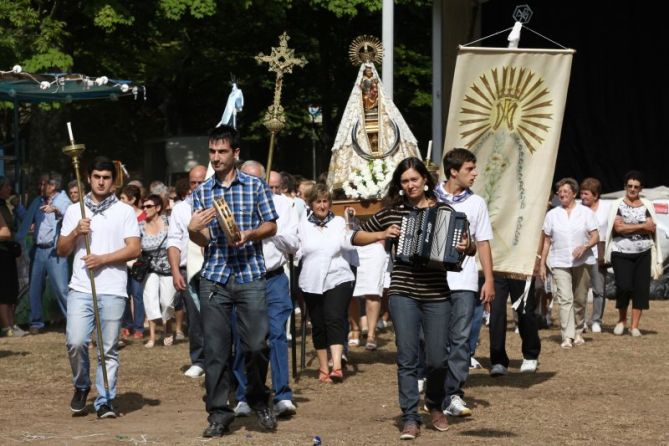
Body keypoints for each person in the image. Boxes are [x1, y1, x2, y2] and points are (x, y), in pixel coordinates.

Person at [352, 157, 470, 439]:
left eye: (414, 180)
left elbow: (465, 246)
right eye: (404, 181)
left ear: (425, 181)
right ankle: (409, 416)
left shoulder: (444, 210)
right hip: (403, 292)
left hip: (437, 293)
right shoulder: (393, 212)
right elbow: (355, 235)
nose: (410, 185)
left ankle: (434, 403)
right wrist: (383, 233)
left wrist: (467, 245)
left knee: (438, 359)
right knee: (406, 357)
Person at [188, 125, 279, 437]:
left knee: (256, 345)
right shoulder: (202, 191)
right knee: (215, 351)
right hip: (214, 277)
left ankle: (257, 398)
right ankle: (219, 413)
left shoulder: (255, 186)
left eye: (222, 151)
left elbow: (271, 226)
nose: (215, 157)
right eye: (212, 151)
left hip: (250, 273)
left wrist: (251, 234)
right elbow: (202, 240)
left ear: (236, 154)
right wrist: (192, 228)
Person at [57, 156, 140, 418]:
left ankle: (105, 400)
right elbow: (61, 250)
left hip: (114, 288)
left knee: (108, 349)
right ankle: (82, 386)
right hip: (81, 288)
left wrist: (103, 259)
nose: (101, 182)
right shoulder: (75, 210)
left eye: (106, 177)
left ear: (113, 181)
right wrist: (75, 233)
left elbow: (134, 248)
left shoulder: (124, 211)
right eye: (96, 177)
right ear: (89, 178)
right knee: (76, 340)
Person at [233, 160, 299, 417]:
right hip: (243, 278)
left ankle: (282, 394)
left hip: (273, 278)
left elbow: (293, 244)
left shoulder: (284, 205)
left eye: (257, 181)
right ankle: (244, 396)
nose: (252, 184)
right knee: (244, 339)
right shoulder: (234, 202)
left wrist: (269, 229)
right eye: (246, 178)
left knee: (276, 334)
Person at [435, 148, 495, 414]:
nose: (475, 173)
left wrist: (489, 279)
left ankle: (453, 394)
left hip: (464, 280)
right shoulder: (430, 198)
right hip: (433, 280)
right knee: (434, 339)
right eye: (469, 169)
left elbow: (483, 242)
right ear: (453, 172)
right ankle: (433, 387)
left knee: (460, 340)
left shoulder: (477, 203)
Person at [298, 183, 356, 384]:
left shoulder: (339, 222)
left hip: (337, 275)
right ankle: (323, 368)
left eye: (325, 201)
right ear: (311, 203)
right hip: (311, 279)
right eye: (318, 202)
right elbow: (298, 249)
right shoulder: (303, 224)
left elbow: (347, 242)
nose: (322, 206)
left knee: (334, 317)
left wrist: (351, 226)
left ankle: (337, 365)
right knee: (319, 323)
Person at [540, 178, 599, 349]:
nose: (562, 194)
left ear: (574, 193)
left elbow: (596, 236)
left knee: (580, 299)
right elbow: (546, 242)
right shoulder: (552, 215)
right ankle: (567, 335)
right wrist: (542, 263)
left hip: (583, 261)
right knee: (565, 299)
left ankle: (579, 330)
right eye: (560, 191)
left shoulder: (586, 212)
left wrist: (585, 246)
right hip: (559, 261)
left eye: (566, 191)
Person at [604, 170, 662, 337]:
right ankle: (621, 320)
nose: (632, 189)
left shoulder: (647, 205)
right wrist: (641, 226)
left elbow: (651, 227)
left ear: (641, 188)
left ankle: (634, 326)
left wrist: (631, 226)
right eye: (629, 186)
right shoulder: (618, 205)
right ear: (625, 187)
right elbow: (618, 228)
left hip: (643, 252)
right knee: (624, 285)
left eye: (636, 187)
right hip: (621, 252)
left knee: (641, 289)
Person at [16, 171, 72, 333]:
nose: (40, 187)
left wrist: (55, 209)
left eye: (43, 184)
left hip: (55, 251)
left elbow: (66, 212)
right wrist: (18, 206)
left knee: (62, 289)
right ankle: (36, 323)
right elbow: (28, 218)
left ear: (53, 186)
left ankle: (74, 322)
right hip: (38, 250)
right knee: (34, 288)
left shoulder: (63, 199)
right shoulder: (38, 201)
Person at [167, 165, 207, 377]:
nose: (197, 186)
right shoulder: (180, 209)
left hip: (213, 268)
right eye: (194, 182)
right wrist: (175, 272)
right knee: (194, 317)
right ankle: (199, 360)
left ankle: (221, 358)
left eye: (201, 181)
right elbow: (173, 241)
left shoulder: (216, 203)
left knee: (217, 316)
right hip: (187, 269)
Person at [140, 194, 176, 348]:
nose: (145, 209)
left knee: (167, 302)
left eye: (148, 206)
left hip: (168, 268)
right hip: (150, 268)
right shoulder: (140, 226)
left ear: (158, 208)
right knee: (150, 300)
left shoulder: (169, 222)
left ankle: (168, 329)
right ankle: (152, 337)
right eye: (143, 206)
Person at [579, 177, 611, 333]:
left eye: (586, 194)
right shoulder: (578, 208)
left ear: (596, 195)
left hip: (599, 252)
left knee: (599, 289)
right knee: (581, 289)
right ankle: (582, 321)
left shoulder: (607, 207)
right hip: (582, 253)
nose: (583, 197)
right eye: (582, 194)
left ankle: (596, 320)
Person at [119, 184, 147, 341]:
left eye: (123, 198)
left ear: (133, 199)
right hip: (123, 258)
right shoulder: (121, 215)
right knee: (124, 294)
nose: (120, 201)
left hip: (137, 261)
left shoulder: (143, 216)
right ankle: (126, 324)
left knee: (137, 294)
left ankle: (138, 327)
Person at [0, 176, 22, 337]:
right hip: (1, 251)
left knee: (11, 289)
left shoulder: (7, 205)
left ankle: (12, 323)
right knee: (3, 290)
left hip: (9, 252)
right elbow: (5, 232)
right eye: (7, 186)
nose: (9, 189)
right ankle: (6, 326)